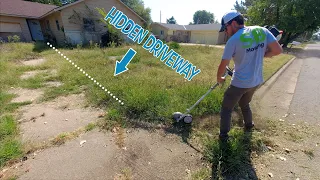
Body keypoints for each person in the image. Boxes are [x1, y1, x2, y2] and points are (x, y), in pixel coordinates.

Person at [216, 11, 283, 141]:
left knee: (226, 108)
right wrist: (263, 54)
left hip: (240, 83)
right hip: (256, 81)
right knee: (245, 103)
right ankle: (249, 126)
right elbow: (277, 50)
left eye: (226, 27)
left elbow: (223, 65)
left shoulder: (233, 40)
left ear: (234, 23)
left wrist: (219, 79)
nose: (225, 31)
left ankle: (223, 137)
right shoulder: (261, 30)